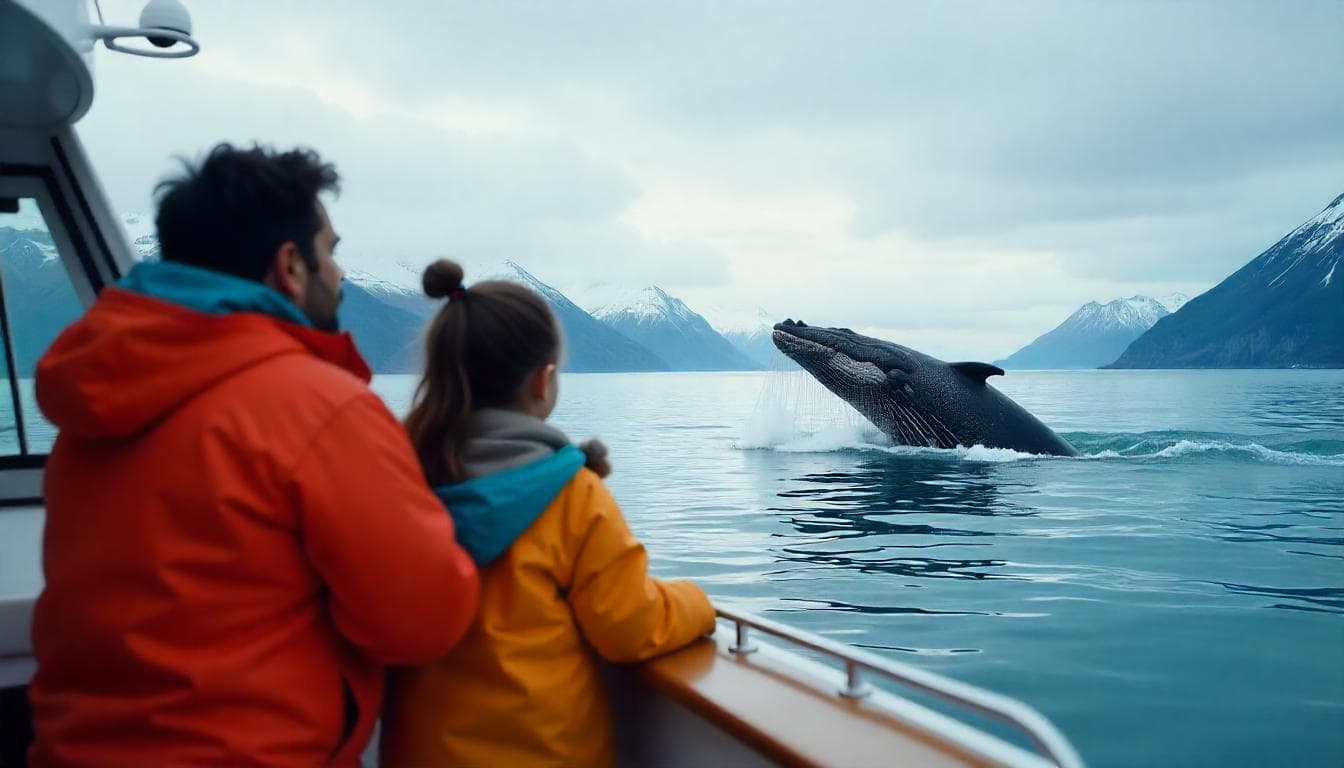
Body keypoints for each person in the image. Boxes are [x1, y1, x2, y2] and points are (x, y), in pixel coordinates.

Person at [28, 143, 480, 767]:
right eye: (331, 252)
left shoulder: (89, 414)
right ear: (290, 265)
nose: (340, 276)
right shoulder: (318, 407)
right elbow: (422, 621)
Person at [380, 259, 716, 768]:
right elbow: (629, 626)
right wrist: (697, 602)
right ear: (544, 381)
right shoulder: (573, 495)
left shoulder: (396, 484)